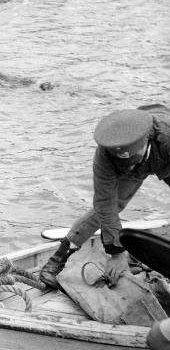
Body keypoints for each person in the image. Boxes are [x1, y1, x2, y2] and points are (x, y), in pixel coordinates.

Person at [40, 104, 170, 289]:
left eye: (131, 163)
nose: (129, 168)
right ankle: (59, 256)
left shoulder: (166, 136)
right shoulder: (107, 153)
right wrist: (116, 252)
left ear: (146, 141)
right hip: (142, 155)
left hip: (165, 153)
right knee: (113, 203)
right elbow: (105, 203)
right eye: (124, 163)